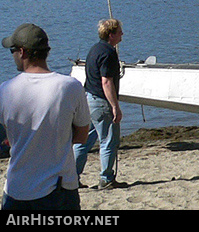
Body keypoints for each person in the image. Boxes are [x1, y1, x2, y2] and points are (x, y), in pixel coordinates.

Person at [0, 23, 90, 210]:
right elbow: (82, 136)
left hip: (17, 188)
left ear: (23, 52)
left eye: (13, 51)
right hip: (59, 187)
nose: (14, 56)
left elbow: (6, 136)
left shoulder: (5, 90)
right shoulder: (70, 87)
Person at [74, 19, 124, 190]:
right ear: (111, 35)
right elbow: (106, 82)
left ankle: (71, 177)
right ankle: (106, 178)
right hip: (102, 102)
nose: (122, 35)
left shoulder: (94, 49)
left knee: (83, 141)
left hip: (88, 98)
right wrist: (115, 106)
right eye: (119, 32)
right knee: (108, 141)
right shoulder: (108, 53)